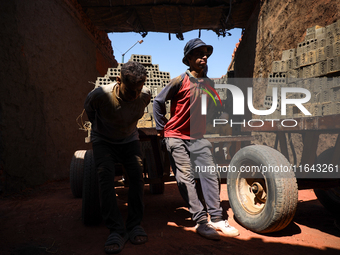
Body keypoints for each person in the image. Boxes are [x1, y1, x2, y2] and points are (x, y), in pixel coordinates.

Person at [153, 38, 239, 240]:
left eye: (206, 53)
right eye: (199, 54)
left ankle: (217, 218)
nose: (204, 56)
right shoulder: (179, 80)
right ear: (189, 58)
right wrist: (161, 128)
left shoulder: (208, 83)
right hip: (175, 135)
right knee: (185, 178)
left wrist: (210, 120)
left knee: (210, 174)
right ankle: (201, 221)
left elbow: (217, 107)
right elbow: (158, 101)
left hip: (198, 137)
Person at [84, 61, 150, 254]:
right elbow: (90, 111)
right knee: (105, 179)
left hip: (129, 140)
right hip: (104, 141)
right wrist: (103, 129)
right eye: (130, 91)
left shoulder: (144, 95)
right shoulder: (100, 95)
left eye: (138, 90)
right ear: (118, 80)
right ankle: (116, 230)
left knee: (137, 176)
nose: (135, 95)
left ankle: (135, 224)